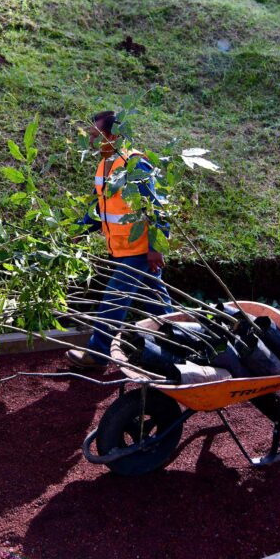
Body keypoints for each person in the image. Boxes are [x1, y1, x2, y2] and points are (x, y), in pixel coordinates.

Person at [66, 111, 171, 369]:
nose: (91, 142)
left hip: (137, 250)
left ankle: (98, 354)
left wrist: (156, 248)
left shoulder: (135, 165)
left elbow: (157, 208)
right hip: (124, 249)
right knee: (156, 301)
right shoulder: (105, 166)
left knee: (114, 300)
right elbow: (97, 208)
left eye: (95, 136)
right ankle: (182, 340)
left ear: (112, 136)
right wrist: (79, 230)